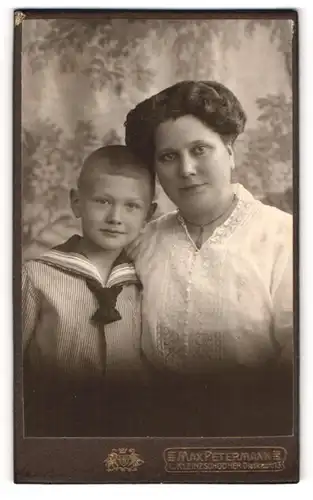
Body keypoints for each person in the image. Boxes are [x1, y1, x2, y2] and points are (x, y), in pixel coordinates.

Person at [124, 80, 294, 437]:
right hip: (154, 429)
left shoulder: (284, 237)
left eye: (200, 149)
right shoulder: (142, 243)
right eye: (168, 157)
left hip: (259, 430)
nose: (186, 169)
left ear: (230, 150)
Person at [22, 145, 156, 437]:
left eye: (131, 206)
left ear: (149, 214)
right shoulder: (36, 276)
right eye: (102, 201)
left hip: (129, 425)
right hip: (52, 422)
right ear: (76, 202)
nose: (115, 217)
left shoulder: (145, 280)